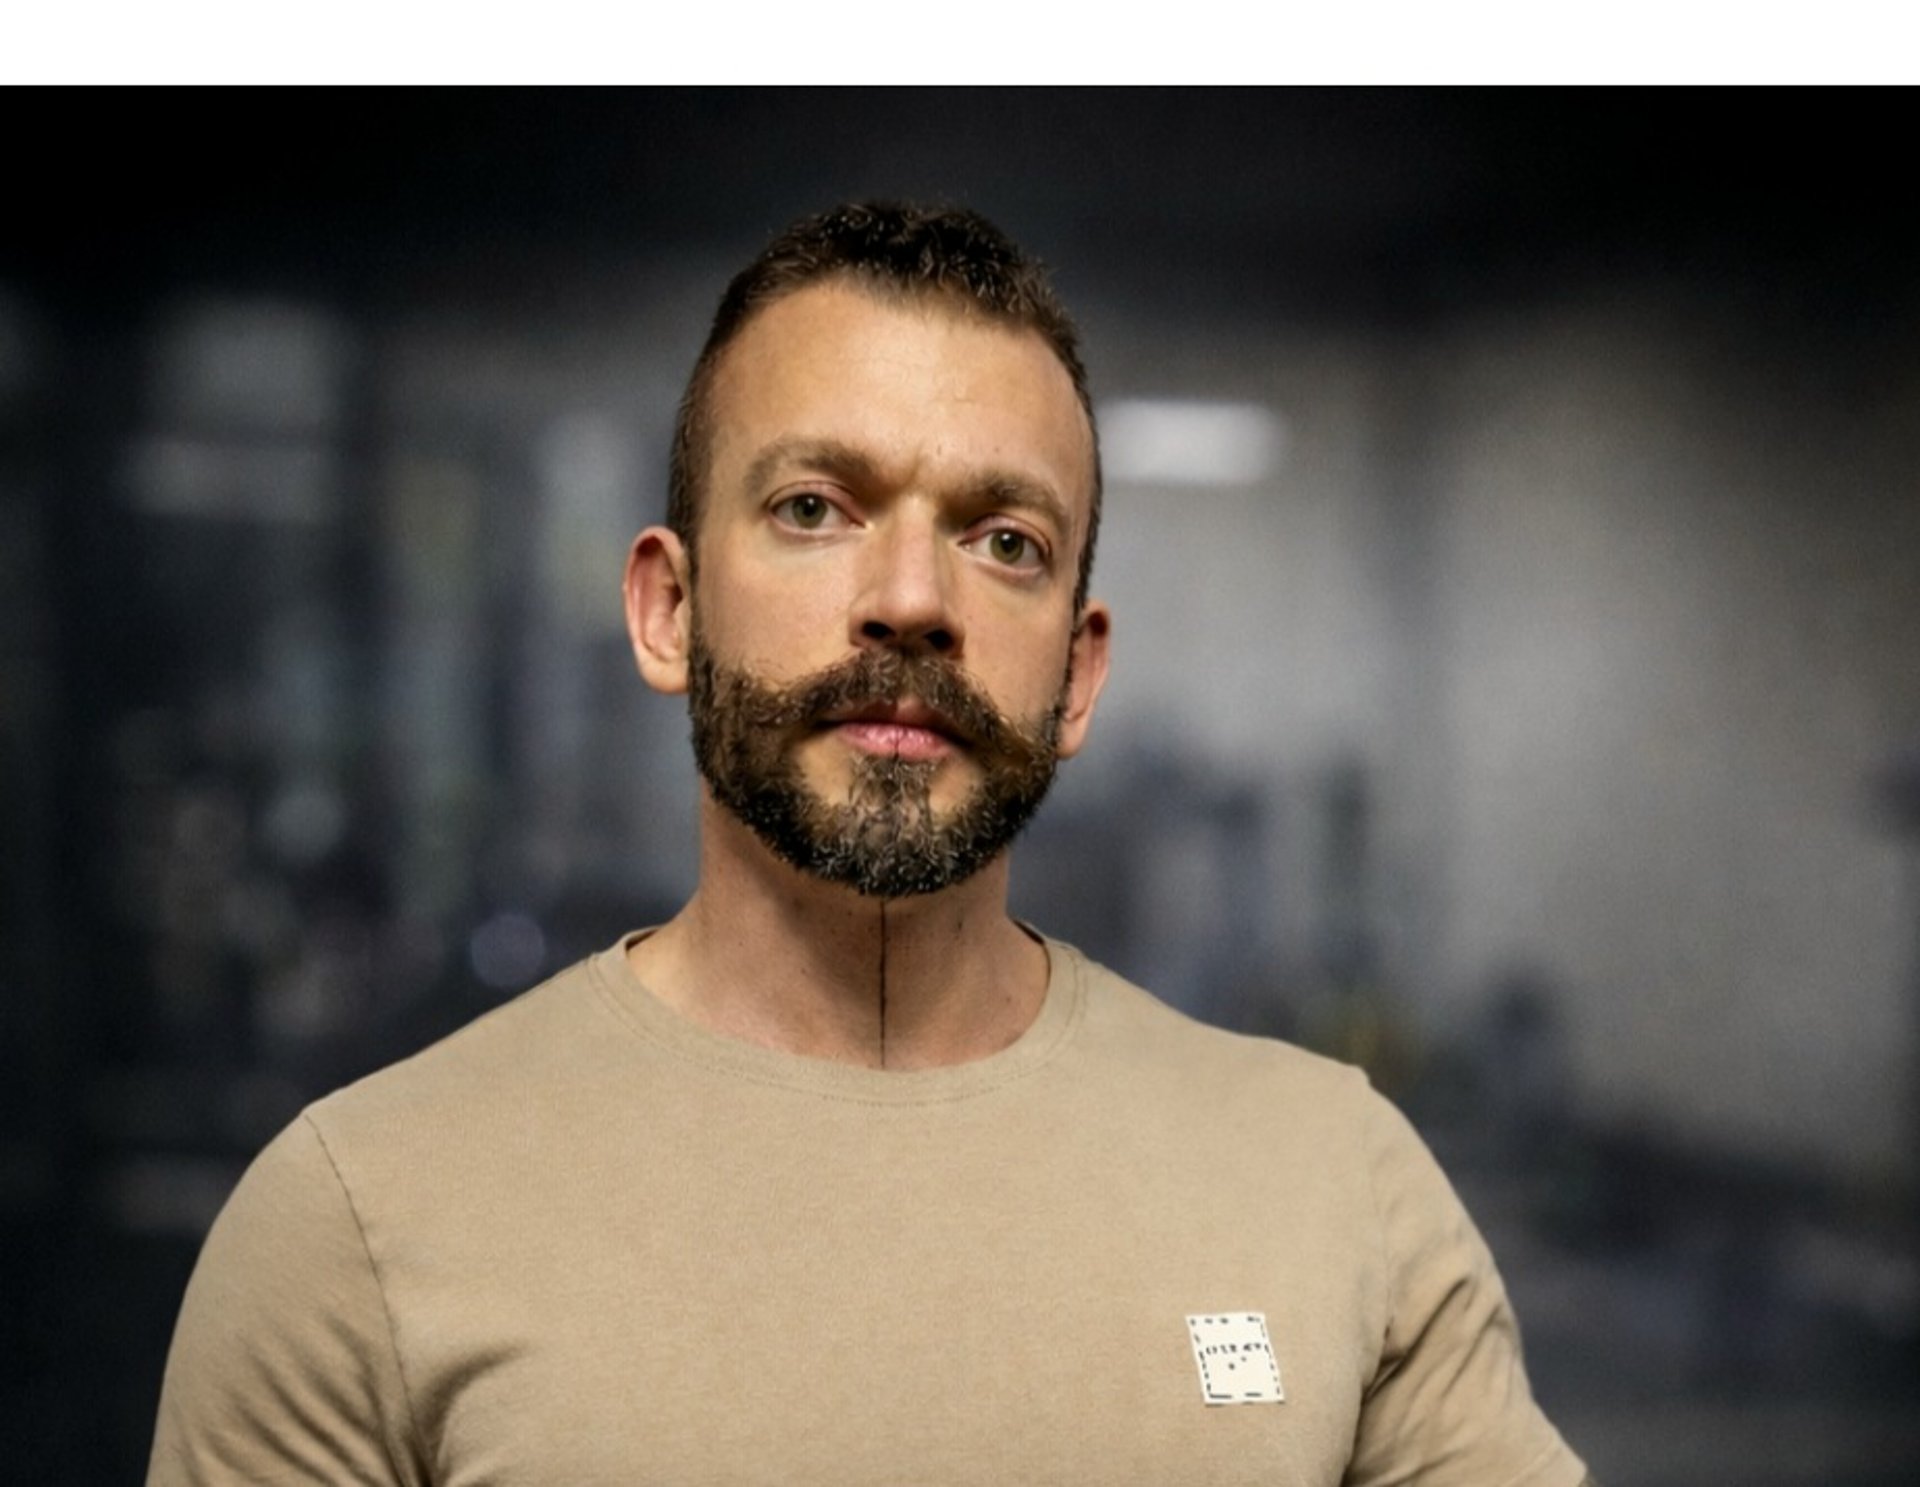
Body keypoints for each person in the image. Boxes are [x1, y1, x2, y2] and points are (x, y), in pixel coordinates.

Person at [150, 202, 1592, 1486]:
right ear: (667, 610)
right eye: (814, 509)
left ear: (1077, 677)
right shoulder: (355, 1226)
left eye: (1005, 540)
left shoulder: (1334, 1182)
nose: (912, 600)